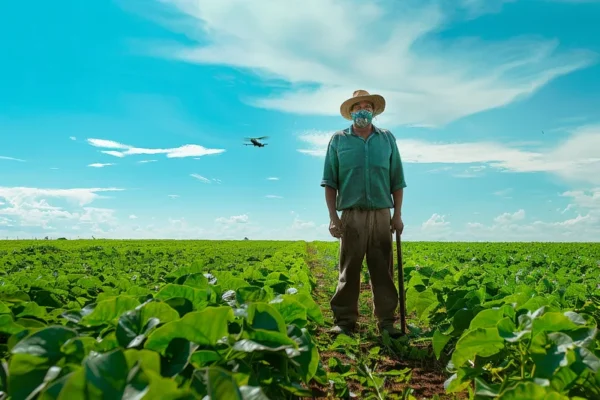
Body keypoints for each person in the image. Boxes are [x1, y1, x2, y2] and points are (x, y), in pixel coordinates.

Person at [321, 89, 407, 338]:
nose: (363, 110)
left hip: (382, 212)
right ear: (350, 112)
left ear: (374, 111)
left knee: (383, 270)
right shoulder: (339, 140)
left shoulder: (387, 139)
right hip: (351, 213)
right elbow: (330, 182)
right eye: (358, 106)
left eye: (367, 106)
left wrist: (397, 214)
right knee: (349, 270)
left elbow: (397, 180)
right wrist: (333, 217)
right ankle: (345, 321)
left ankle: (387, 322)